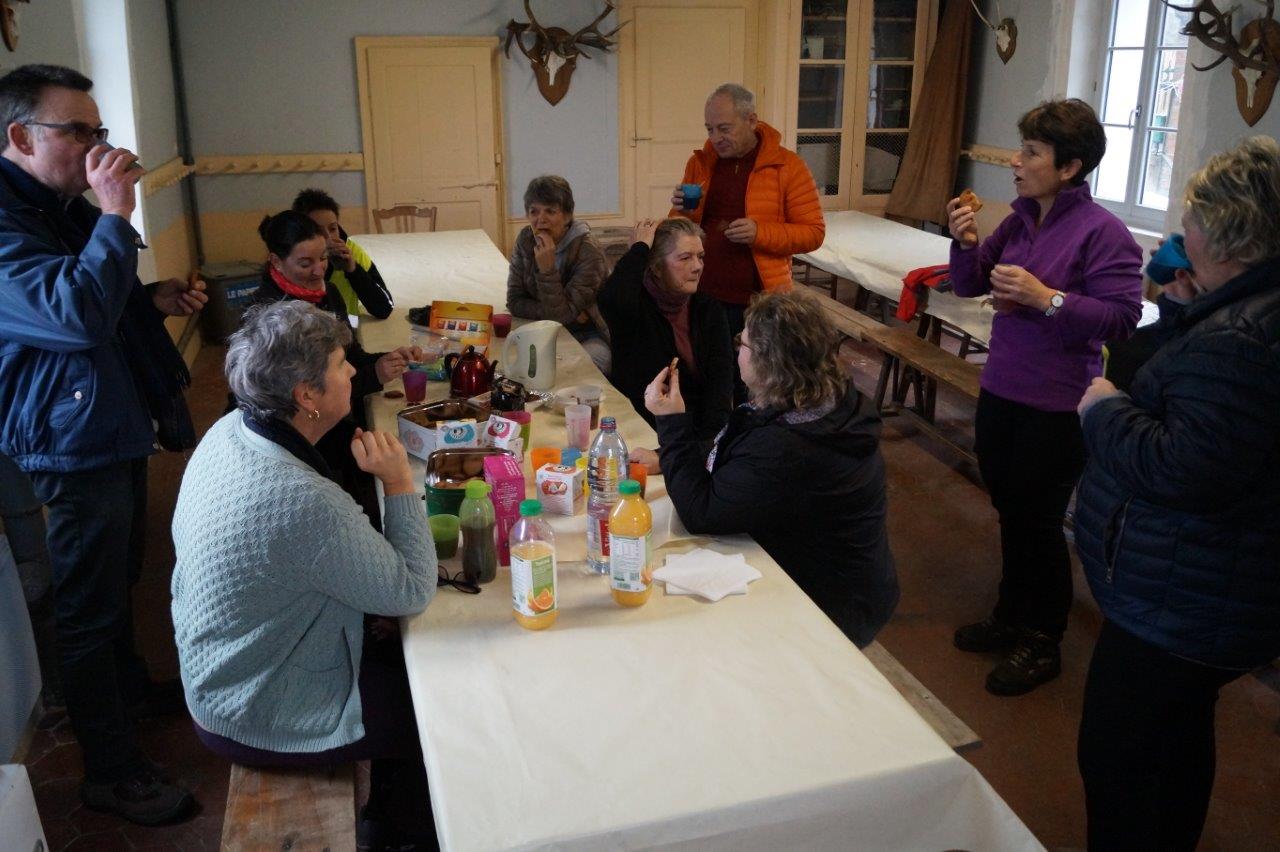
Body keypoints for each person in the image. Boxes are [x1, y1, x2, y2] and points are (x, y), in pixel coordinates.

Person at [0, 64, 207, 824]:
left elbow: (101, 299)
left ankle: (128, 692)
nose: (97, 146)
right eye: (78, 131)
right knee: (86, 605)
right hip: (66, 439)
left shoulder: (59, 204)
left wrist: (152, 298)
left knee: (120, 574)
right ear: (21, 136)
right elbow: (71, 315)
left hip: (104, 421)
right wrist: (118, 216)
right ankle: (112, 772)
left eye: (100, 130)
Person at [1073, 136, 1280, 851]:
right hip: (1204, 590)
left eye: (1191, 220)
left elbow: (1181, 470)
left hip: (1187, 601)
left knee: (1128, 763)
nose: (1180, 234)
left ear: (1228, 233)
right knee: (1170, 743)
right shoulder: (1246, 312)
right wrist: (1188, 307)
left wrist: (1104, 408)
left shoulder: (1243, 339)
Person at [173, 301, 438, 849]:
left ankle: (390, 814)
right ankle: (398, 834)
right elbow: (412, 589)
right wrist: (398, 482)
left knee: (409, 664)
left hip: (222, 671)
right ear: (306, 396)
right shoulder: (300, 501)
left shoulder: (230, 430)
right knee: (443, 709)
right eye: (342, 365)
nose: (351, 373)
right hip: (259, 706)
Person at [945, 98, 1143, 696]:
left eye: (1031, 152)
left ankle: (1042, 639)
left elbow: (1122, 319)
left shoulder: (1104, 233)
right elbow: (967, 282)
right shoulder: (1022, 217)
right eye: (1021, 147)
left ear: (1069, 167)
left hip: (1057, 405)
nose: (1016, 160)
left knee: (1037, 521)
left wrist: (1045, 297)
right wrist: (965, 240)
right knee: (1010, 508)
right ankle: (1011, 614)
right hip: (1002, 387)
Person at [644, 289, 898, 648]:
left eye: (743, 343)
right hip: (848, 579)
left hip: (830, 604)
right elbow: (741, 447)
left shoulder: (790, 447)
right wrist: (671, 453)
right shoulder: (823, 396)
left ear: (769, 361)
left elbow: (701, 512)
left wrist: (670, 423)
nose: (737, 350)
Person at [248, 210, 420, 527]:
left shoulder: (327, 294)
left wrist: (386, 359)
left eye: (323, 259)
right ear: (276, 261)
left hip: (330, 421)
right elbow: (308, 395)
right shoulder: (272, 319)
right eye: (305, 263)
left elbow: (350, 355)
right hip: (302, 437)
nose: (319, 271)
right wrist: (374, 375)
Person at [670, 82, 825, 394]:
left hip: (759, 300)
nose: (715, 138)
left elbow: (813, 233)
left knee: (753, 388)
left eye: (724, 128)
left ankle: (747, 441)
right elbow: (681, 229)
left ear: (751, 120)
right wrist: (681, 212)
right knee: (707, 380)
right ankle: (712, 442)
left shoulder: (787, 166)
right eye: (710, 129)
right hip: (703, 293)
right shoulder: (700, 163)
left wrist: (760, 233)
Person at [598, 217, 733, 459]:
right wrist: (639, 249)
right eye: (685, 258)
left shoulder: (708, 310)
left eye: (700, 256)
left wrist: (703, 449)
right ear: (657, 267)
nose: (698, 266)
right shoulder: (635, 308)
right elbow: (611, 299)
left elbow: (719, 393)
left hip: (695, 438)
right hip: (640, 431)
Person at [506, 175, 611, 373]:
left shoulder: (588, 251)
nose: (540, 219)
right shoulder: (526, 240)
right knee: (513, 366)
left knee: (579, 368)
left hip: (587, 335)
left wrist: (547, 270)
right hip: (542, 332)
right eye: (533, 211)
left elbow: (559, 317)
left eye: (550, 211)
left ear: (567, 216)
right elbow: (514, 301)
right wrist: (567, 313)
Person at [292, 187, 394, 320]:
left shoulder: (352, 251)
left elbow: (384, 309)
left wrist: (353, 270)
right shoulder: (291, 258)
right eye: (317, 230)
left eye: (333, 228)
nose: (328, 237)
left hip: (345, 330)